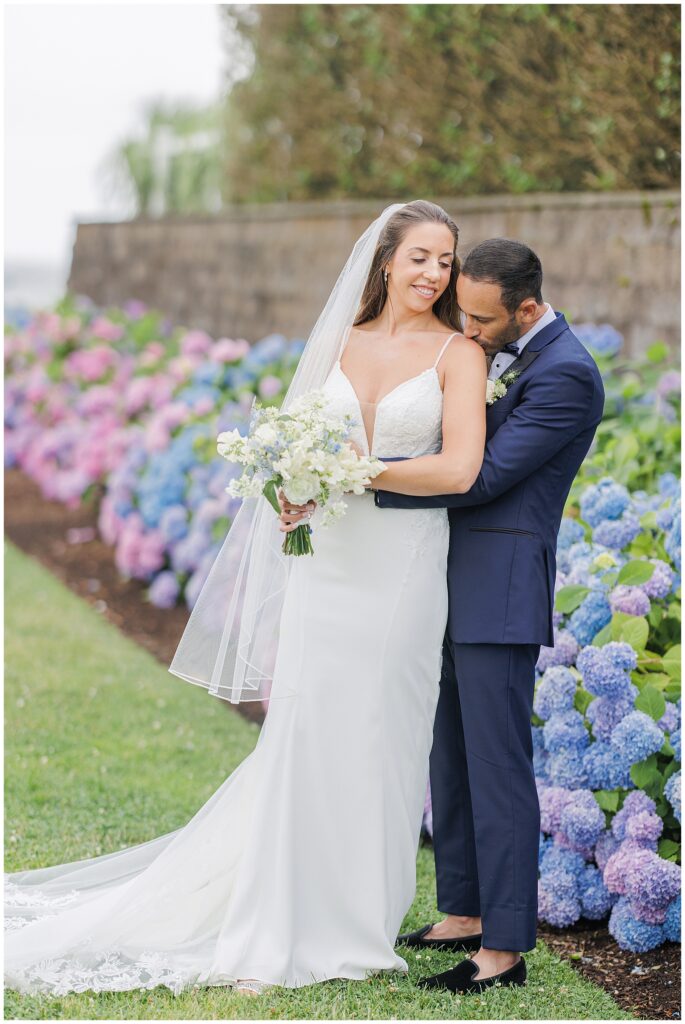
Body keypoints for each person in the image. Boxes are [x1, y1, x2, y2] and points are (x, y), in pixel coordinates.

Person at [4, 200, 488, 998]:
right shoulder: (337, 341)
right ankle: (275, 914)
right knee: (306, 727)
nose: (433, 272)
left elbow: (458, 471)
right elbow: (293, 450)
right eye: (420, 257)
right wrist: (293, 493)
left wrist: (353, 473)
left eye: (445, 259)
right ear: (384, 263)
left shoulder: (456, 355)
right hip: (326, 559)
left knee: (380, 731)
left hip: (400, 564)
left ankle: (356, 919)